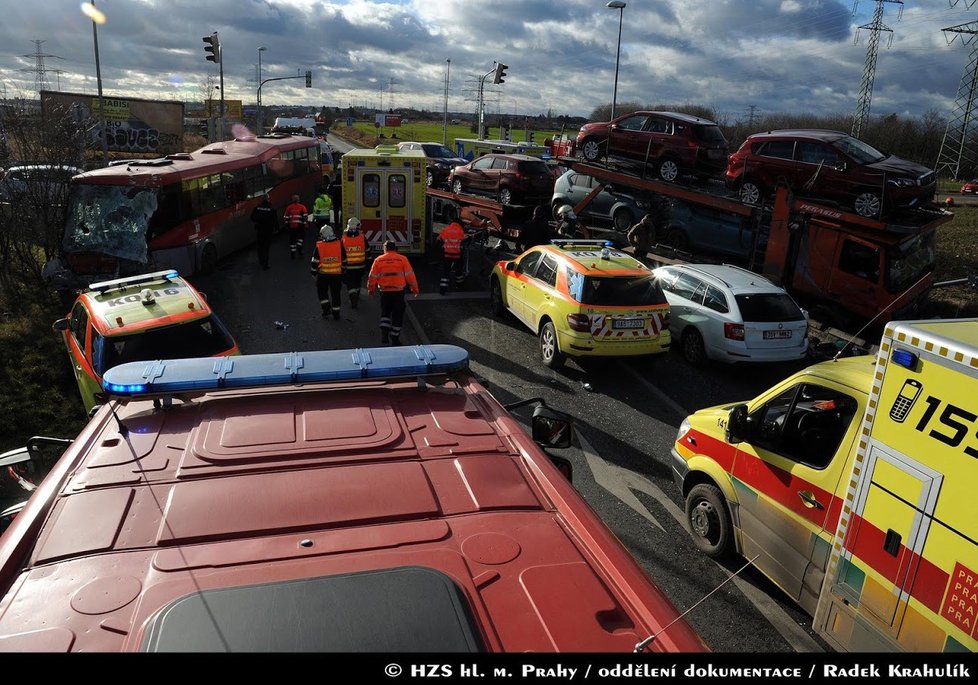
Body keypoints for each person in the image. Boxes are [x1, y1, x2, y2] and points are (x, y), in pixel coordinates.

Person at [367, 239, 419, 346]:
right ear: (396, 249)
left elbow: (372, 277)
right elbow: (410, 275)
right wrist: (414, 288)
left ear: (384, 249)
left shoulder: (378, 260)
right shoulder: (402, 259)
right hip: (398, 293)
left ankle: (384, 334)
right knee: (397, 315)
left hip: (385, 292)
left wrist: (371, 289)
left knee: (385, 313)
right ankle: (395, 338)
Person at [310, 224, 345, 320]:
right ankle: (336, 313)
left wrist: (313, 273)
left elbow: (315, 262)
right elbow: (344, 260)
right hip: (337, 275)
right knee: (336, 294)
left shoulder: (320, 246)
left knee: (322, 292)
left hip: (323, 275)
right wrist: (343, 271)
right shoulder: (339, 244)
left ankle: (326, 309)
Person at [341, 217, 368, 309]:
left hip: (348, 267)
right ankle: (356, 294)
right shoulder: (362, 237)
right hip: (360, 266)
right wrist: (369, 263)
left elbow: (340, 252)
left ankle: (353, 298)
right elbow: (367, 250)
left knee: (350, 284)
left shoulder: (344, 238)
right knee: (357, 281)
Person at [436, 219, 469, 294]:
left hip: (447, 254)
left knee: (445, 271)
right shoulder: (460, 231)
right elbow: (464, 239)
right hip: (457, 255)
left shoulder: (446, 230)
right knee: (458, 270)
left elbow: (438, 239)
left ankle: (442, 289)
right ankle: (459, 284)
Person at [249, 194, 278, 270]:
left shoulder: (257, 208)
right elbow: (275, 220)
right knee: (266, 247)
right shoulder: (272, 209)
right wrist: (276, 229)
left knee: (260, 247)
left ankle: (261, 261)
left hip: (259, 230)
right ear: (268, 199)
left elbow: (252, 218)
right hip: (268, 231)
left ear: (262, 200)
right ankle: (265, 264)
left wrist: (258, 221)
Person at [283, 194, 309, 260]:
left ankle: (293, 253)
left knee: (292, 240)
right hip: (300, 226)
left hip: (292, 227)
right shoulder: (302, 207)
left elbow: (286, 217)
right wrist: (305, 224)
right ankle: (299, 250)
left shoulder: (289, 207)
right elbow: (305, 216)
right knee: (300, 238)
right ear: (298, 200)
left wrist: (287, 225)